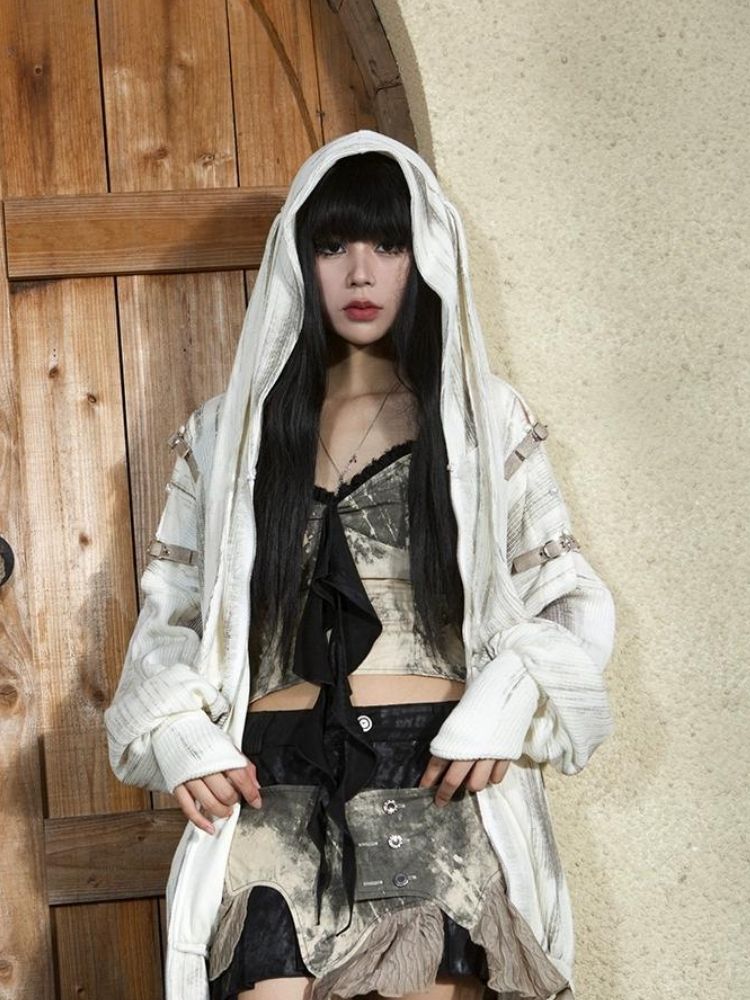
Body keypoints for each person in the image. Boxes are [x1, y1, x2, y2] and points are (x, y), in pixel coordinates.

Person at [104, 130, 616, 1000]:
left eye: (389, 244)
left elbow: (566, 595)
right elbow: (172, 611)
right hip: (268, 785)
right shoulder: (226, 434)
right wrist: (180, 736)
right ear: (299, 261)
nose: (362, 273)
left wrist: (507, 701)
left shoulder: (480, 419)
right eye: (334, 245)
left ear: (427, 255)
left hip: (431, 773)